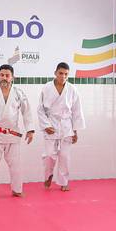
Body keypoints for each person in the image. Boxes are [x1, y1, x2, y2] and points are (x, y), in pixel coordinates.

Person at [0, 64, 35, 200]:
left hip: (12, 134)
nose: (4, 77)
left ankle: (17, 189)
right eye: (2, 75)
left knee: (16, 165)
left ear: (12, 77)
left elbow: (27, 112)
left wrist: (30, 130)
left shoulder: (19, 93)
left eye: (7, 75)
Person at [37, 62, 85, 191]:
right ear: (55, 73)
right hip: (51, 124)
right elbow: (40, 109)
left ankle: (64, 181)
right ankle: (48, 176)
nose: (63, 76)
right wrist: (46, 125)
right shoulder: (47, 88)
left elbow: (76, 111)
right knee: (48, 155)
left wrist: (75, 131)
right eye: (61, 73)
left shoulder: (72, 89)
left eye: (66, 74)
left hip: (66, 126)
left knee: (64, 156)